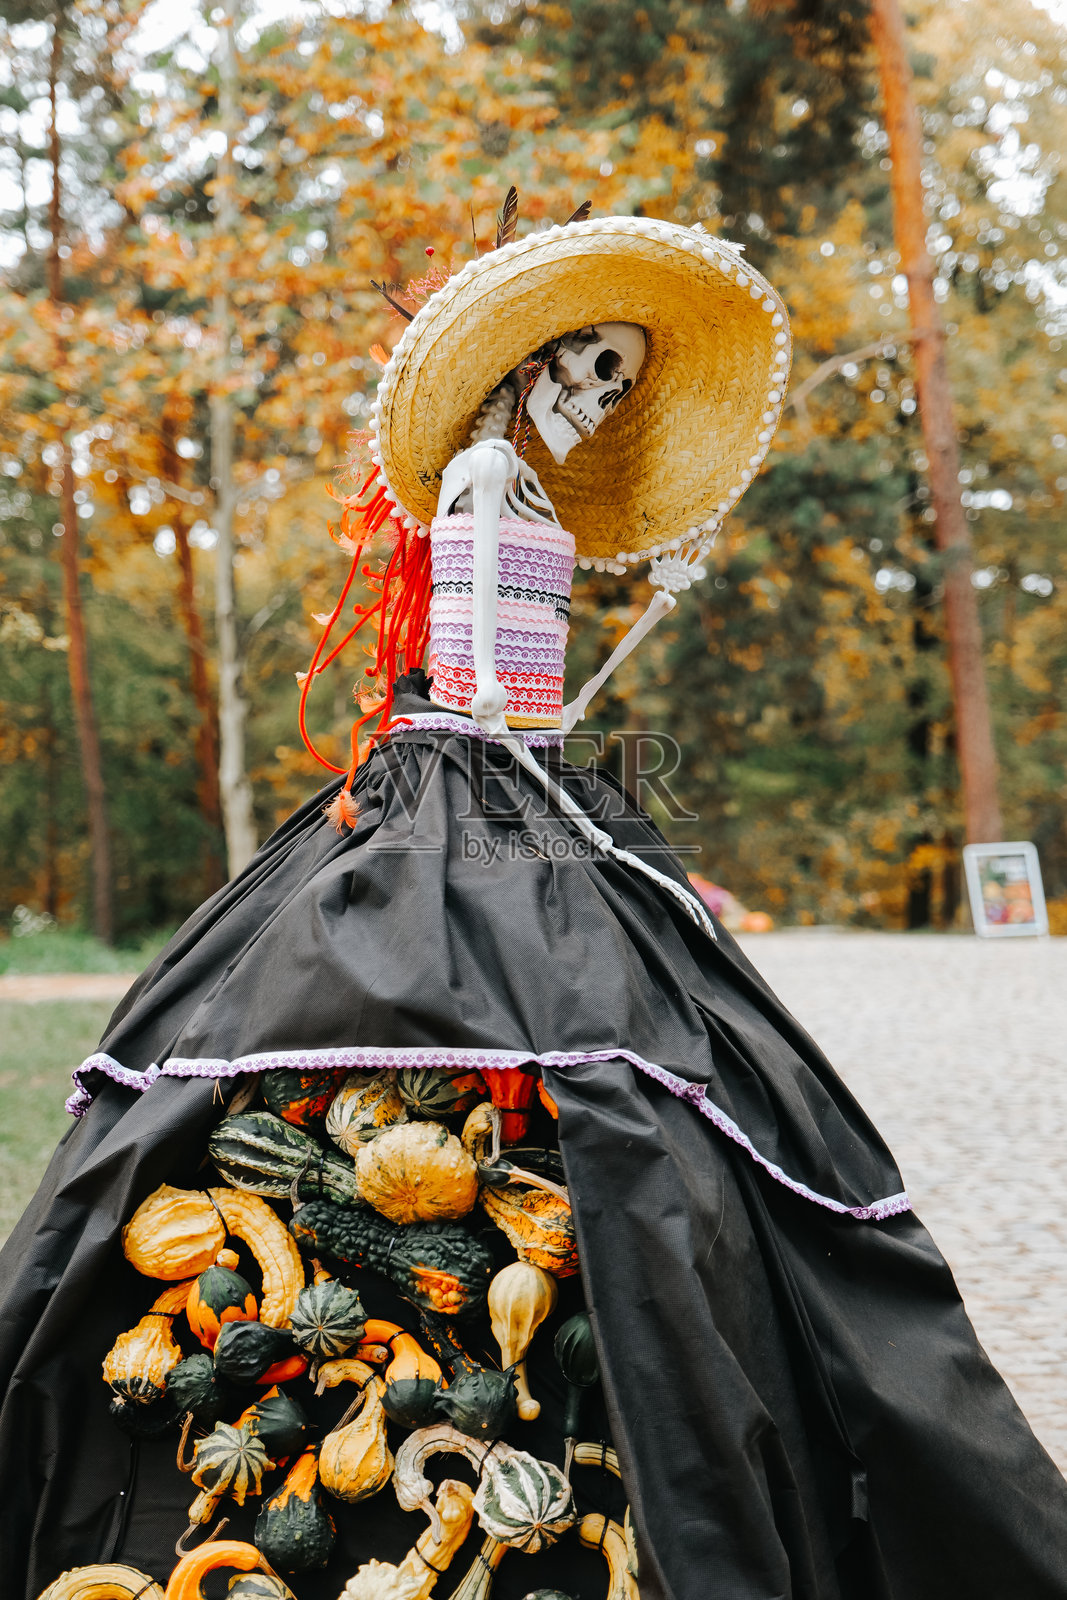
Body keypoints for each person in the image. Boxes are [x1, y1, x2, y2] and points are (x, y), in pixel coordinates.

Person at [2, 208, 1066, 1600]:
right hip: (459, 766)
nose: (603, 397)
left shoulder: (538, 496)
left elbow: (534, 649)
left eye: (621, 382)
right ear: (531, 363)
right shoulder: (486, 469)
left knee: (637, 1033)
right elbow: (468, 632)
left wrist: (617, 623)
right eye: (593, 368)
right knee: (517, 1014)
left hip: (535, 775)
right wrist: (499, 713)